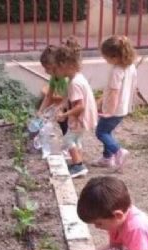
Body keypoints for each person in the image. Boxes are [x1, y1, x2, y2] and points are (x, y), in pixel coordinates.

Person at [54, 39, 97, 179]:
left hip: (80, 119)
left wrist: (64, 114)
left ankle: (78, 166)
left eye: (57, 68)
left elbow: (80, 106)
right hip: (83, 118)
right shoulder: (77, 78)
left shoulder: (75, 83)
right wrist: (63, 105)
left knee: (68, 140)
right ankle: (78, 162)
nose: (56, 72)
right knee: (76, 140)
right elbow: (72, 99)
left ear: (65, 65)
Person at [93, 35, 137, 170]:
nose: (105, 59)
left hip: (114, 109)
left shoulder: (117, 72)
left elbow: (114, 92)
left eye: (105, 57)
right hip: (123, 108)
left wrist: (109, 111)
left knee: (100, 132)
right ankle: (107, 158)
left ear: (114, 57)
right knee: (107, 131)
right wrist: (101, 99)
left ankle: (118, 152)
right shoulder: (130, 67)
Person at [38, 44, 68, 137]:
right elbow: (48, 96)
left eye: (47, 68)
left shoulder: (66, 79)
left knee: (70, 133)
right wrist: (40, 111)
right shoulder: (54, 78)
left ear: (57, 65)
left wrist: (60, 110)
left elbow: (68, 98)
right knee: (65, 131)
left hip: (71, 109)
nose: (45, 71)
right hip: (63, 108)